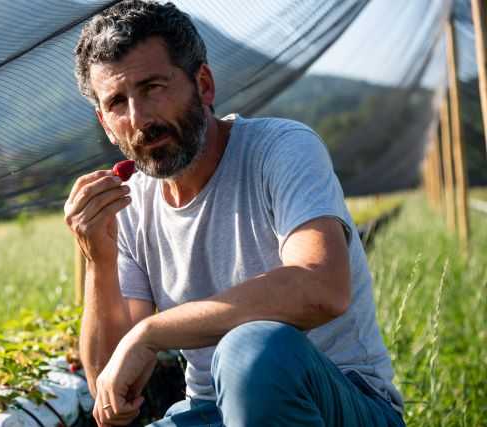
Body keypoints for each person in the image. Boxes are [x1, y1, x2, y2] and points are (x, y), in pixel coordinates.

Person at [64, 1, 405, 426]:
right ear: (104, 121)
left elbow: (322, 286)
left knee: (252, 350)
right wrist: (100, 260)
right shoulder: (130, 207)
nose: (139, 118)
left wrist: (151, 332)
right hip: (211, 413)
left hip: (338, 402)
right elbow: (108, 389)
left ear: (203, 85)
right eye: (117, 102)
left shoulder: (279, 149)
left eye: (152, 87)